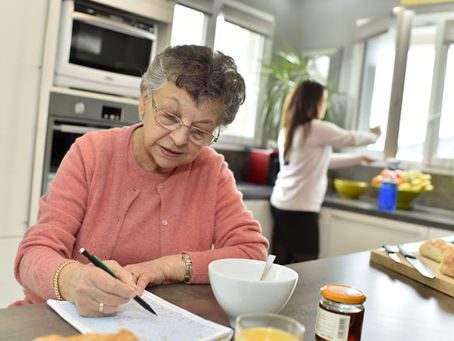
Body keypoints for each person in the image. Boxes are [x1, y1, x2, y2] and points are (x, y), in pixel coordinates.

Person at [13, 45, 268, 316]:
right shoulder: (91, 154)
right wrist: (72, 280)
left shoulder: (211, 171)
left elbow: (252, 254)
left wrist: (166, 267)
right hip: (61, 322)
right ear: (145, 100)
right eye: (170, 117)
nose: (180, 139)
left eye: (199, 131)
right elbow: (32, 255)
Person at [270, 80, 380, 265]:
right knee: (307, 267)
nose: (325, 105)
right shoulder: (316, 127)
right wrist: (375, 136)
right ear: (313, 103)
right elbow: (350, 138)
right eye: (324, 100)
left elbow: (322, 162)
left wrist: (360, 158)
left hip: (281, 204)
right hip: (301, 210)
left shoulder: (288, 130)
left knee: (282, 265)